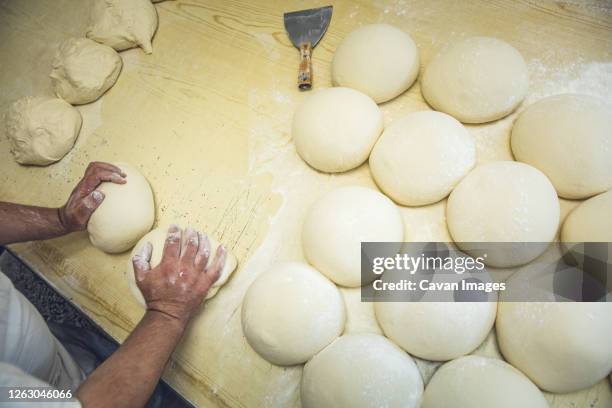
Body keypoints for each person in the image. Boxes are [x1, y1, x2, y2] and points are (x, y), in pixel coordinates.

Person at [0, 161, 226, 407]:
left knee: (81, 355)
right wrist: (167, 311)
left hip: (42, 347)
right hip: (48, 395)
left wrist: (60, 219)